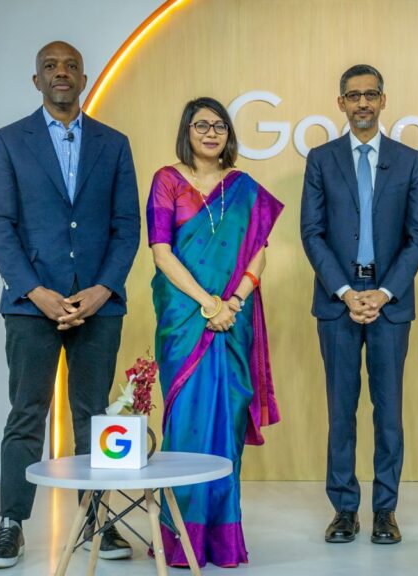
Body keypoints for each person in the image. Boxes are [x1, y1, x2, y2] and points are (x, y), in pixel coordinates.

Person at [0, 41, 140, 568]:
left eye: (70, 65)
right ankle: (10, 524)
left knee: (95, 417)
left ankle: (96, 520)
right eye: (50, 66)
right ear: (36, 81)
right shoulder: (9, 142)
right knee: (27, 414)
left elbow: (126, 227)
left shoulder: (113, 144)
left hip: (98, 304)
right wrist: (35, 291)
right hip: (31, 306)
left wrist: (102, 289)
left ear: (85, 77)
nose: (61, 73)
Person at [148, 97, 283, 568]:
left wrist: (235, 301)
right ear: (187, 130)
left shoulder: (243, 187)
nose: (211, 133)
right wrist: (208, 304)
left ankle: (221, 542)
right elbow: (162, 253)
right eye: (201, 125)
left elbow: (259, 252)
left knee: (224, 428)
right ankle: (179, 541)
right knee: (185, 425)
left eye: (219, 125)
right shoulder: (167, 180)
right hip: (185, 322)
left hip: (233, 322)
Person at [301, 64, 418, 545]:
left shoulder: (409, 160)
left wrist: (384, 291)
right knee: (341, 412)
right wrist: (346, 291)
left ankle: (385, 510)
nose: (362, 104)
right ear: (340, 103)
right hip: (338, 301)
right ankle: (344, 509)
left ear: (382, 99)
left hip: (390, 302)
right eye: (352, 96)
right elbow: (311, 233)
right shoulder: (321, 159)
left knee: (388, 412)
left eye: (370, 95)